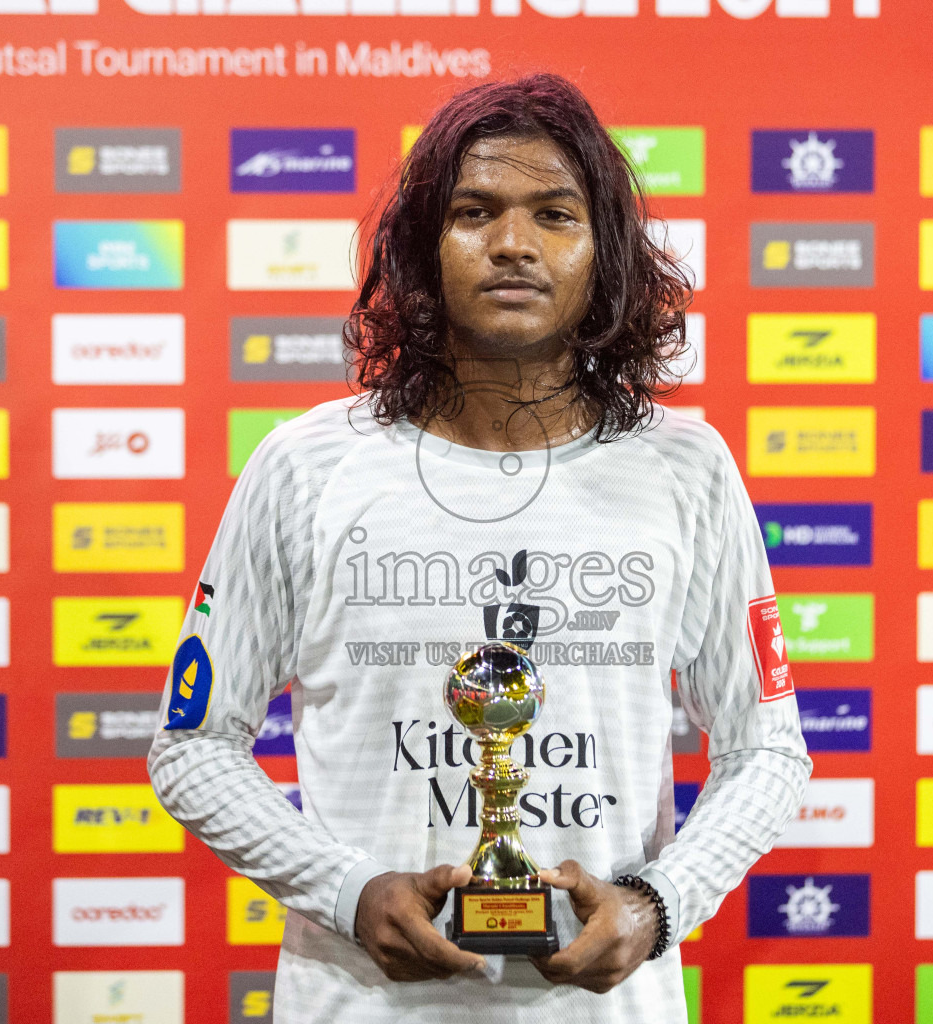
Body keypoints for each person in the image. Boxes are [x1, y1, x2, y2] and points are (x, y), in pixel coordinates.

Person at [147, 72, 812, 1023]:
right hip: (359, 1002)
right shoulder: (307, 466)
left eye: (555, 214)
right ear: (424, 246)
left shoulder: (684, 468)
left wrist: (659, 907)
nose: (513, 244)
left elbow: (767, 748)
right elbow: (193, 746)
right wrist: (349, 891)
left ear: (605, 253)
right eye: (475, 211)